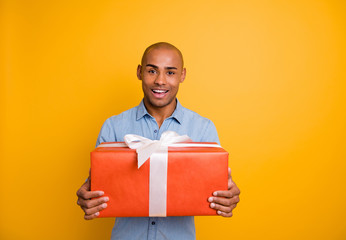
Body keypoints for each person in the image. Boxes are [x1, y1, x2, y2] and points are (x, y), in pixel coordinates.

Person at [76, 42, 240, 240]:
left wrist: (228, 196)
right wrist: (88, 197)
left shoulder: (203, 128)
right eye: (152, 71)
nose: (160, 81)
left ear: (182, 75)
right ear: (139, 72)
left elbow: (218, 189)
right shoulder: (113, 126)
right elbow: (97, 187)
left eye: (170, 73)